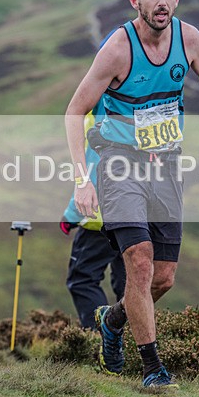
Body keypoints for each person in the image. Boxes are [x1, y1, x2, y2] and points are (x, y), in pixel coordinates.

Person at [65, 0, 199, 389]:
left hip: (167, 166)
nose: (161, 2)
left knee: (163, 278)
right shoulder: (117, 49)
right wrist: (83, 179)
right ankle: (154, 368)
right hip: (118, 165)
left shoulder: (189, 40)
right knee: (138, 263)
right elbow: (74, 110)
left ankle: (112, 321)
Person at [60, 105, 126, 330]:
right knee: (128, 281)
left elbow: (93, 164)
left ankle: (101, 340)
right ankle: (130, 342)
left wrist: (71, 214)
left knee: (82, 279)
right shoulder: (133, 97)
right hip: (137, 211)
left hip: (99, 216)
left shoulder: (97, 108)